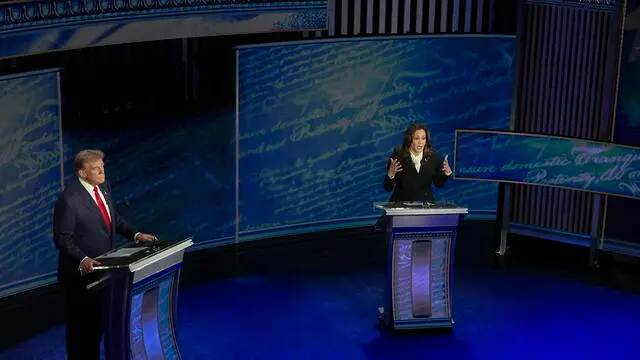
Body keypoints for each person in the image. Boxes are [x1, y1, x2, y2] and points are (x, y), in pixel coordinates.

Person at [53, 149, 156, 360]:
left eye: (102, 167)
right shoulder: (69, 200)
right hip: (79, 278)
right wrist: (83, 259)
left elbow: (114, 220)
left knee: (97, 326)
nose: (102, 171)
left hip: (104, 272)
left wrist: (135, 235)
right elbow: (62, 239)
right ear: (82, 173)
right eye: (95, 168)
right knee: (81, 333)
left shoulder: (103, 189)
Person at [383, 123, 452, 202]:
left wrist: (446, 173)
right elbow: (387, 188)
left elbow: (438, 184)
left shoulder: (433, 156)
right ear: (409, 139)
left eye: (423, 138)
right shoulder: (397, 157)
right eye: (416, 138)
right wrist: (390, 174)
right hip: (400, 206)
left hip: (424, 207)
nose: (420, 142)